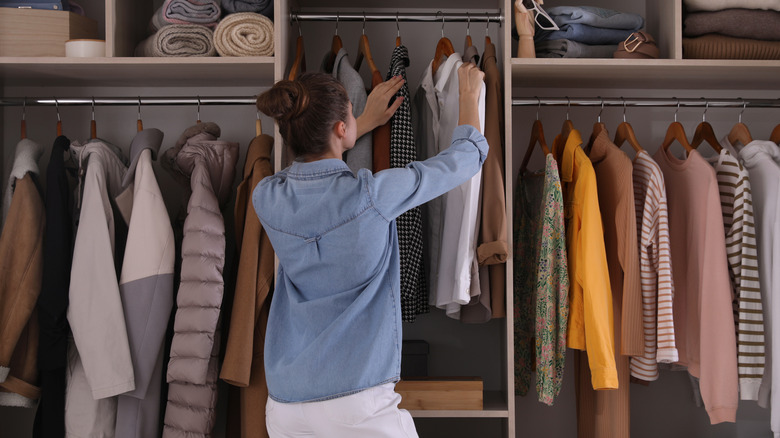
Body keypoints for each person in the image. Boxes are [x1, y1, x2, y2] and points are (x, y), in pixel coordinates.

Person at [253, 63, 488, 437]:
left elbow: (303, 171)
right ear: (341, 128)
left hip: (285, 405)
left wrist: (354, 126)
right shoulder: (373, 196)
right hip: (355, 404)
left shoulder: (266, 198)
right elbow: (466, 156)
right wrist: (469, 96)